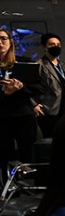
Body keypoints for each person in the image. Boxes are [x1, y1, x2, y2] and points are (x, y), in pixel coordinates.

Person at [0, 28, 41, 176]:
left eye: (4, 39)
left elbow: (39, 88)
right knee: (5, 154)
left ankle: (31, 188)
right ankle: (8, 187)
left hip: (23, 115)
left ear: (10, 42)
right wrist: (5, 93)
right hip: (2, 117)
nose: (0, 43)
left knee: (28, 152)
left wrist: (21, 87)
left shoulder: (25, 62)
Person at [35, 32, 65, 138]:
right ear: (44, 47)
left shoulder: (64, 66)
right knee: (52, 139)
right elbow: (31, 86)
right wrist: (34, 104)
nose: (56, 47)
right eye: (52, 44)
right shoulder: (39, 65)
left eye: (58, 45)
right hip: (51, 109)